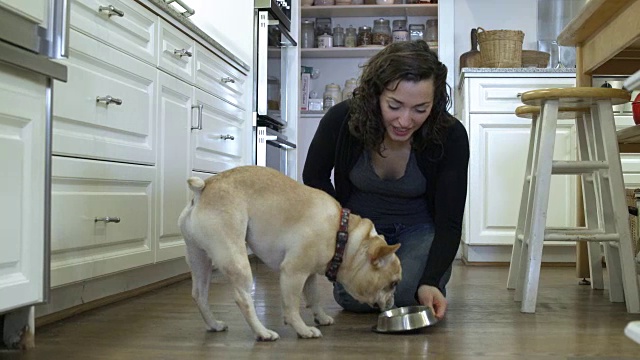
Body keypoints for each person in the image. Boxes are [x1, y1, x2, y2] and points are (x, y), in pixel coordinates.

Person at [302, 40, 469, 320]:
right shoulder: (342, 118)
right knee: (357, 298)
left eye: (420, 109)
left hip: (419, 231)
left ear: (435, 102)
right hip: (360, 233)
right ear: (376, 95)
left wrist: (430, 281)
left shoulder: (450, 135)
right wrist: (343, 233)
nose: (405, 120)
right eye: (394, 105)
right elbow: (314, 177)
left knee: (405, 295)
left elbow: (450, 221)